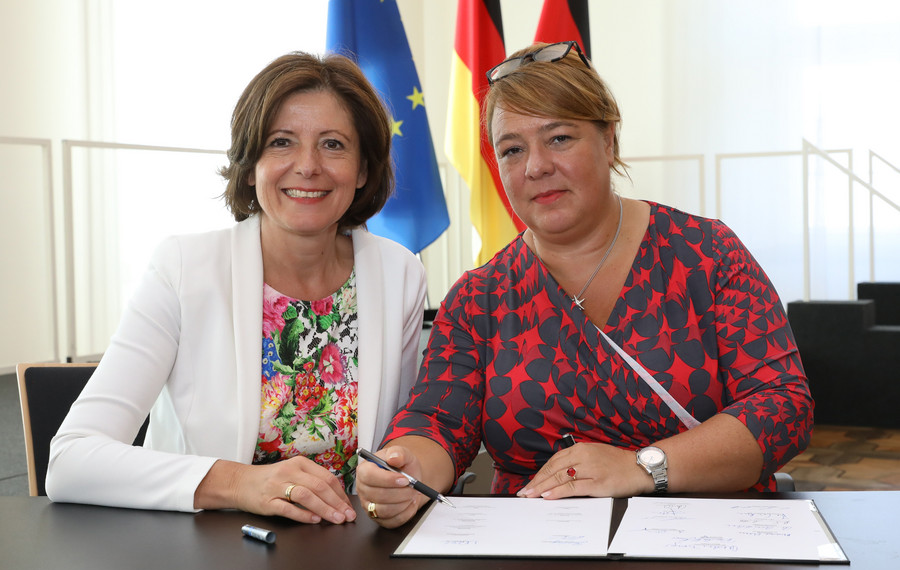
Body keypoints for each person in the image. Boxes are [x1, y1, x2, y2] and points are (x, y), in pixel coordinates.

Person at [357, 41, 813, 528]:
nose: (535, 166)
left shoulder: (707, 254)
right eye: (512, 150)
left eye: (558, 138)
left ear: (608, 140)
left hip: (706, 539)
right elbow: (438, 422)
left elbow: (782, 406)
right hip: (538, 550)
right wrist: (404, 469)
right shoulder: (478, 298)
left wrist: (642, 467)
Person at [46, 51, 427, 525]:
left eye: (333, 145)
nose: (308, 166)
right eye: (281, 142)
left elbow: (402, 439)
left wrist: (399, 473)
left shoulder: (399, 273)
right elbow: (70, 460)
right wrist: (240, 483)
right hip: (208, 548)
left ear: (364, 169)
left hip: (349, 547)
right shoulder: (183, 268)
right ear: (250, 166)